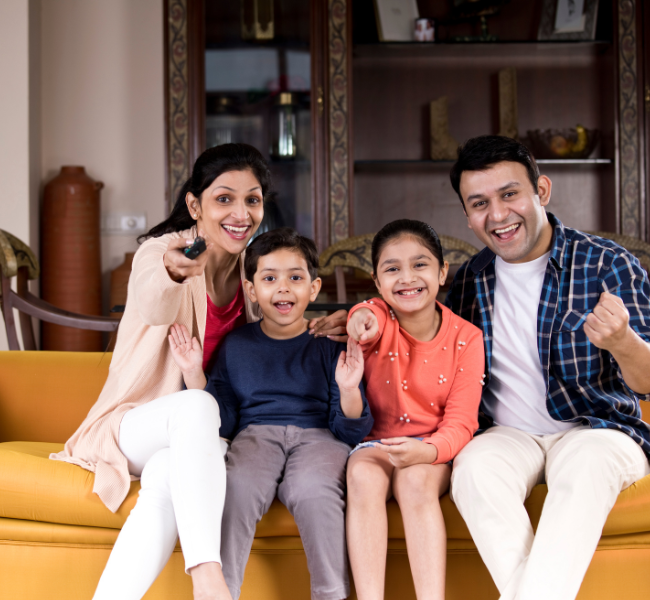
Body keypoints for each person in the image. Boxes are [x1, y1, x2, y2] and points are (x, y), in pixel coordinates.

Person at [49, 144, 347, 600]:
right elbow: (152, 297)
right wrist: (172, 269)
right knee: (196, 407)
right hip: (137, 424)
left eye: (252, 199)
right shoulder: (161, 251)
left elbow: (275, 329)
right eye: (223, 198)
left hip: (198, 440)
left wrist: (322, 326)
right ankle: (209, 578)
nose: (241, 212)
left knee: (170, 476)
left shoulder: (253, 275)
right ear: (195, 204)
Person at [445, 135, 650, 600]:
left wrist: (624, 342)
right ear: (467, 216)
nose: (498, 215)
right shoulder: (470, 279)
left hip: (598, 430)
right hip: (507, 435)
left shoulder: (608, 264)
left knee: (586, 465)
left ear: (541, 191)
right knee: (471, 471)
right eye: (480, 203)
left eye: (510, 194)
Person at [168, 227, 374, 600]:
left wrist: (347, 389)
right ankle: (222, 591)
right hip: (255, 436)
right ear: (251, 290)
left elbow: (349, 431)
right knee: (238, 486)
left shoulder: (329, 345)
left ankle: (332, 594)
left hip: (319, 438)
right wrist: (192, 372)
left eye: (295, 278)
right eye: (269, 278)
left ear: (313, 289)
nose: (283, 288)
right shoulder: (236, 345)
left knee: (312, 490)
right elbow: (224, 420)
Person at [344, 219, 485, 600]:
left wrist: (427, 451)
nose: (407, 278)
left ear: (442, 273)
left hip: (430, 448)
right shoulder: (378, 321)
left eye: (420, 265)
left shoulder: (467, 339)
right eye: (392, 269)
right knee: (362, 476)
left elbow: (461, 422)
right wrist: (360, 315)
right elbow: (366, 317)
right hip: (376, 445)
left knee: (415, 481)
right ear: (377, 281)